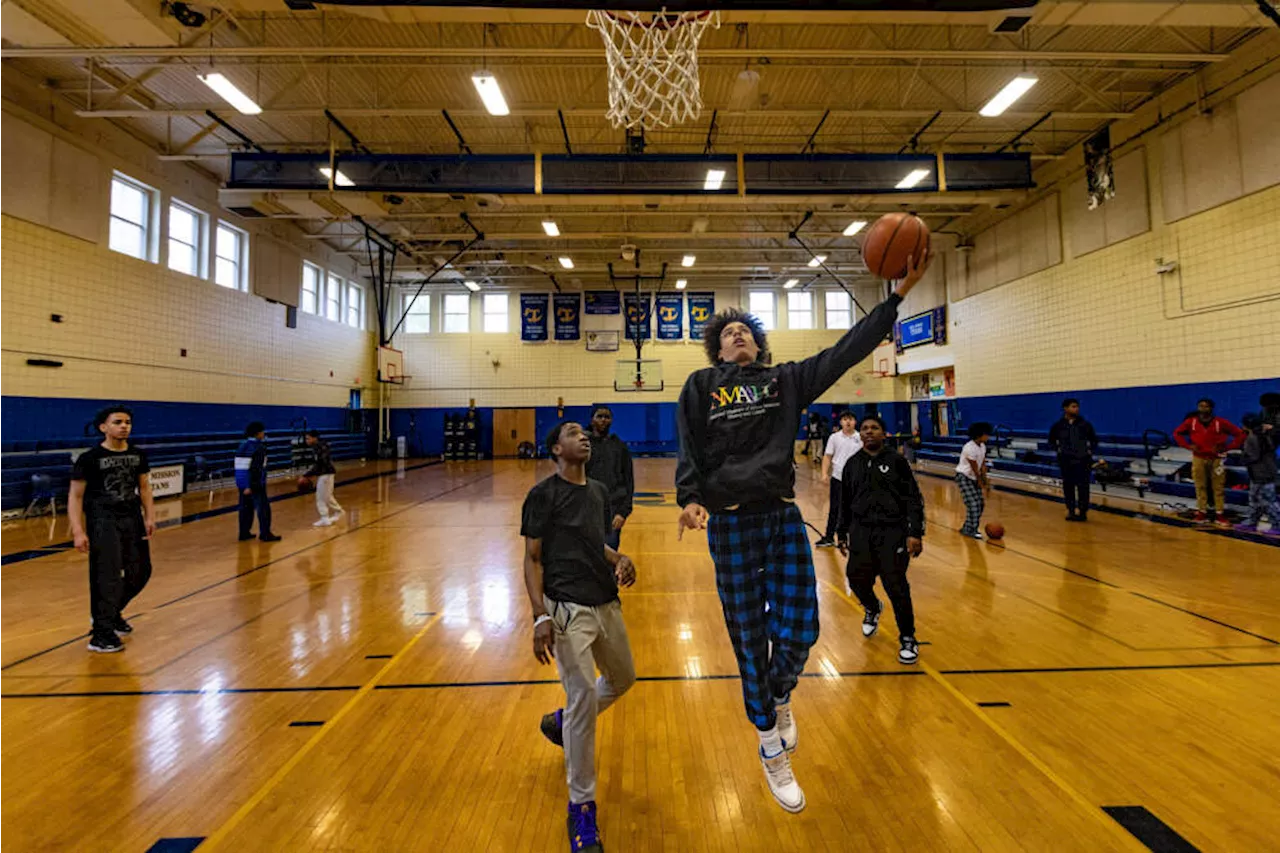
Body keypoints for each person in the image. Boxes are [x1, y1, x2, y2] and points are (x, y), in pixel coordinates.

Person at [675, 251, 931, 814]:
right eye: (729, 333)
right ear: (718, 349)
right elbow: (688, 449)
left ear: (758, 346)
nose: (738, 335)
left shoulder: (785, 381)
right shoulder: (699, 386)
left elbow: (846, 350)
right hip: (731, 524)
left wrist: (895, 298)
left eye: (746, 331)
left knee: (801, 632)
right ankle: (771, 747)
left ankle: (781, 693)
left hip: (779, 515)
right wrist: (690, 499)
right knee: (747, 638)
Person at [523, 421, 638, 853]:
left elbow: (594, 545)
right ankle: (582, 810)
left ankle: (562, 721)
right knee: (583, 697)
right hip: (567, 608)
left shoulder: (598, 492)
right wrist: (539, 616)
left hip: (605, 600)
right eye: (573, 432)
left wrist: (619, 558)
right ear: (556, 448)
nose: (584, 436)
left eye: (584, 433)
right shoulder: (542, 496)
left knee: (624, 679)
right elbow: (532, 559)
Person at [835, 414, 924, 665]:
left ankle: (908, 637)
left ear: (883, 434)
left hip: (892, 532)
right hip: (861, 531)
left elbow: (913, 499)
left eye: (874, 428)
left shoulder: (897, 462)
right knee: (856, 578)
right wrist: (842, 532)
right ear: (859, 435)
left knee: (896, 586)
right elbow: (845, 501)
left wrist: (915, 532)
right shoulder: (852, 464)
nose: (869, 432)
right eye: (864, 429)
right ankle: (872, 607)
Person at [67, 406, 156, 653]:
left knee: (141, 571)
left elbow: (145, 488)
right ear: (103, 427)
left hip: (132, 520)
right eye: (117, 422)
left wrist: (150, 516)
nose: (124, 426)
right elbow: (75, 496)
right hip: (103, 522)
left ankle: (111, 613)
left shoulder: (138, 455)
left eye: (128, 422)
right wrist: (78, 531)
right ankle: (101, 635)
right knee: (107, 577)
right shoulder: (89, 458)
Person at [1173, 399, 1246, 527]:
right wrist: (1188, 446)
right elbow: (1177, 433)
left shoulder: (1221, 422)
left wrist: (1228, 447)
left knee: (1218, 487)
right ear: (1197, 407)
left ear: (1211, 408)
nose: (1203, 408)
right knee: (1200, 486)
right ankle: (1201, 513)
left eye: (1206, 406)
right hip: (1199, 458)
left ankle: (1219, 514)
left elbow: (1240, 434)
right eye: (1201, 406)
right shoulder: (1191, 422)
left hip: (1217, 458)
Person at [583, 406, 634, 551]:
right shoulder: (584, 446)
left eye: (607, 417)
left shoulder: (620, 447)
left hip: (613, 508)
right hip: (588, 507)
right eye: (599, 416)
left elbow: (629, 481)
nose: (603, 420)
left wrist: (623, 512)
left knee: (610, 552)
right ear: (592, 420)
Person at [1048, 398, 1099, 522]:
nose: (1076, 409)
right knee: (1068, 486)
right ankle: (1070, 510)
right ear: (1065, 408)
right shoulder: (1058, 425)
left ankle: (1083, 512)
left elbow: (1094, 440)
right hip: (1066, 460)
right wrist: (1059, 451)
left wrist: (1089, 451)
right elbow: (1051, 440)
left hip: (1082, 460)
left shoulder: (1085, 425)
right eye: (1073, 406)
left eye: (1077, 406)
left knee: (1083, 487)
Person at [816, 411, 861, 547]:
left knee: (856, 508)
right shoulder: (834, 437)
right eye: (845, 419)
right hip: (838, 478)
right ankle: (829, 536)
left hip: (856, 480)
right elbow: (828, 456)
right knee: (835, 508)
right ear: (841, 422)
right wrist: (824, 473)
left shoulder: (860, 438)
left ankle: (856, 538)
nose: (848, 422)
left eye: (851, 419)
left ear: (855, 422)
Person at [236, 421, 281, 542]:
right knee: (263, 508)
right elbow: (257, 469)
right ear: (258, 433)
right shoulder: (259, 447)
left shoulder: (242, 445)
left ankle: (244, 533)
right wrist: (253, 485)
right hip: (255, 484)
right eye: (262, 432)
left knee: (245, 509)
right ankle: (265, 533)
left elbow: (239, 468)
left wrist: (243, 485)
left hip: (242, 483)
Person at [1236, 414, 1279, 535]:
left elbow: (1253, 456)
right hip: (1265, 472)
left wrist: (1237, 457)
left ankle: (1277, 524)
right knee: (1255, 499)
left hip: (1261, 473)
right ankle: (1252, 522)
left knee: (1268, 501)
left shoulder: (1253, 437)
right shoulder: (1266, 434)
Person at [955, 422, 992, 539]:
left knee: (980, 504)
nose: (988, 437)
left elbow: (982, 466)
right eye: (987, 434)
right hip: (964, 477)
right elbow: (975, 468)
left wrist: (986, 481)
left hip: (974, 477)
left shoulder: (982, 447)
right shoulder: (969, 448)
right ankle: (972, 530)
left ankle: (967, 528)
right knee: (973, 504)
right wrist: (981, 483)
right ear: (979, 434)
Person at [304, 430, 343, 527]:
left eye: (308, 438)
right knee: (327, 496)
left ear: (314, 438)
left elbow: (320, 464)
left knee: (320, 497)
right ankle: (339, 511)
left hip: (325, 474)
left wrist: (307, 475)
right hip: (326, 473)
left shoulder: (319, 447)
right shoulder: (321, 446)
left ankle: (325, 518)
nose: (306, 440)